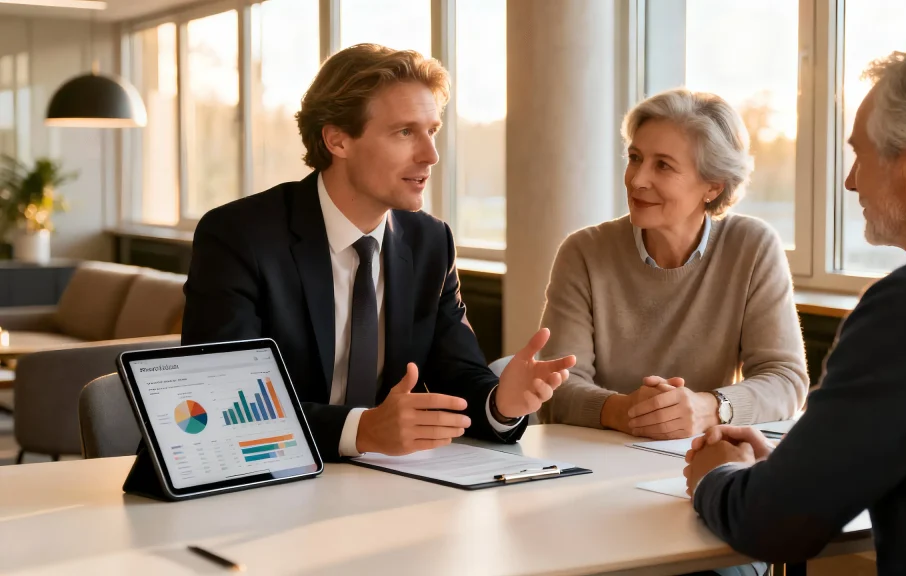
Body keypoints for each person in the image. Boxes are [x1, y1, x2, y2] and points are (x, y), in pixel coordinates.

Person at [684, 43, 906, 576]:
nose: (849, 181)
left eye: (859, 155)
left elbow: (773, 525)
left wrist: (715, 475)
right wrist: (793, 476)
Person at [181, 44, 575, 460]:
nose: (431, 155)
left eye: (432, 131)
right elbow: (222, 400)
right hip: (259, 484)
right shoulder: (239, 236)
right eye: (405, 132)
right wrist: (361, 430)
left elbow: (457, 377)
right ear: (337, 140)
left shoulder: (430, 243)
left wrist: (500, 404)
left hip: (382, 488)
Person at [536, 88, 809, 440]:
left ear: (712, 186)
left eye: (662, 165)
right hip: (595, 457)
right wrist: (627, 411)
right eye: (635, 158)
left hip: (705, 457)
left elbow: (786, 379)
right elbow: (557, 387)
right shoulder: (584, 252)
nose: (637, 180)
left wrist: (710, 407)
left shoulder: (752, 246)